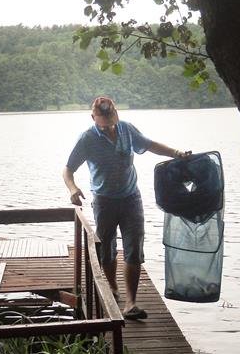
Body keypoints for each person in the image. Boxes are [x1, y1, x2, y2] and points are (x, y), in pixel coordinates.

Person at [63, 96, 190, 320]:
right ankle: (113, 287)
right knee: (106, 246)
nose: (109, 126)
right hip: (104, 200)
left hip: (131, 198)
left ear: (116, 114)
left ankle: (131, 303)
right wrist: (73, 189)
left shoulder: (127, 129)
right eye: (104, 123)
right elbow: (68, 169)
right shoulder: (87, 138)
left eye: (111, 121)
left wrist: (176, 153)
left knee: (134, 248)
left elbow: (150, 145)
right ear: (93, 118)